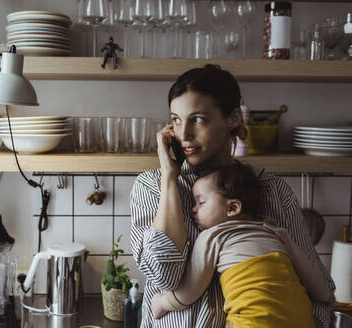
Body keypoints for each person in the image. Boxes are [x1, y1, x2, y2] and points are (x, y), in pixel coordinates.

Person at [129, 64, 335, 328]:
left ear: (234, 118)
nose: (183, 135)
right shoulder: (151, 186)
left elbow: (321, 289)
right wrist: (169, 179)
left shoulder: (272, 189)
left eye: (198, 119)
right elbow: (165, 278)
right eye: (177, 120)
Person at [149, 164, 334, 327]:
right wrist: (326, 296)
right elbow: (311, 274)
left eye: (201, 202)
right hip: (302, 320)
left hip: (255, 321)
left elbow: (192, 289)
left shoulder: (213, 236)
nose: (193, 209)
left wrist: (164, 302)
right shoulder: (277, 232)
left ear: (232, 208)